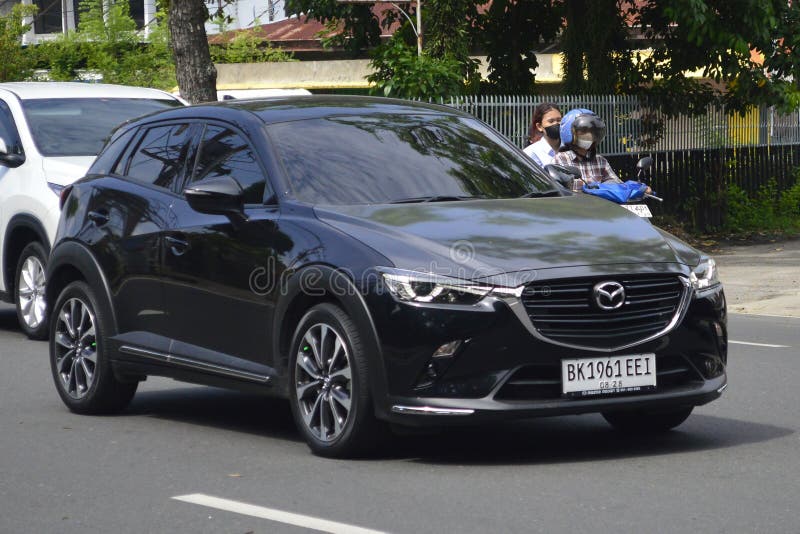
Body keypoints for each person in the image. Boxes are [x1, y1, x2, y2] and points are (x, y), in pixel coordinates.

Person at [552, 108, 621, 187]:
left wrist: (606, 185)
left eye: (592, 131)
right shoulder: (560, 160)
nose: (589, 135)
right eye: (584, 130)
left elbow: (616, 183)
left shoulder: (600, 161)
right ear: (569, 132)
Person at [523, 103, 562, 167]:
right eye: (551, 121)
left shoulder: (571, 149)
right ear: (539, 126)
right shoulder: (530, 153)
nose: (556, 123)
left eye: (559, 120)